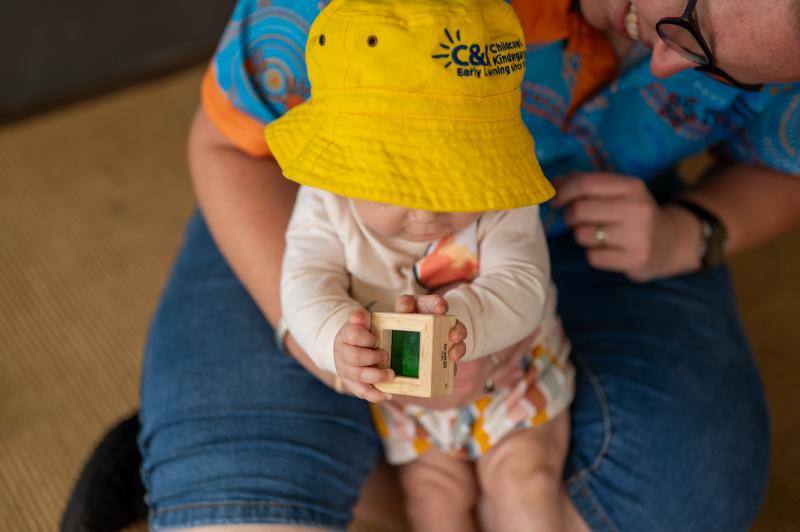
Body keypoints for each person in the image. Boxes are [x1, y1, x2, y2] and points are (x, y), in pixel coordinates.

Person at [62, 0, 800, 530]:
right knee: (252, 504)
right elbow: (288, 248)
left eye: (721, 68)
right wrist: (325, 346)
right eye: (690, 18)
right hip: (289, 216)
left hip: (581, 244)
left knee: (682, 492)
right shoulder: (350, 83)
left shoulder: (499, 194)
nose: (669, 64)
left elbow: (516, 281)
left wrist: (693, 231)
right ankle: (283, 448)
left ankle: (308, 460)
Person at [269, 3, 574, 529]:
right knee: (434, 497)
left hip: (512, 371)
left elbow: (521, 283)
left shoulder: (504, 193)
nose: (429, 212)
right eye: (397, 185)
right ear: (344, 163)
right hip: (405, 394)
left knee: (524, 479)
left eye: (455, 178)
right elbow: (303, 280)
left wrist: (465, 323)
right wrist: (335, 336)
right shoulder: (325, 196)